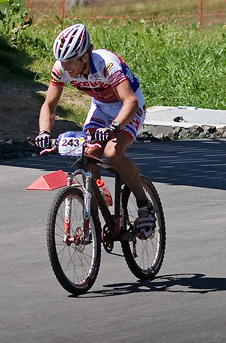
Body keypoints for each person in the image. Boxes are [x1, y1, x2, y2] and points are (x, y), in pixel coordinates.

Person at [34, 23, 156, 240]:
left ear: (85, 57)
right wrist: (44, 132)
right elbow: (49, 106)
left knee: (112, 153)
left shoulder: (106, 64)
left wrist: (114, 127)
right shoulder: (61, 68)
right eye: (62, 61)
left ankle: (144, 205)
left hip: (127, 107)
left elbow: (129, 101)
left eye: (70, 61)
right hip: (100, 106)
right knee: (87, 151)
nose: (65, 66)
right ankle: (97, 198)